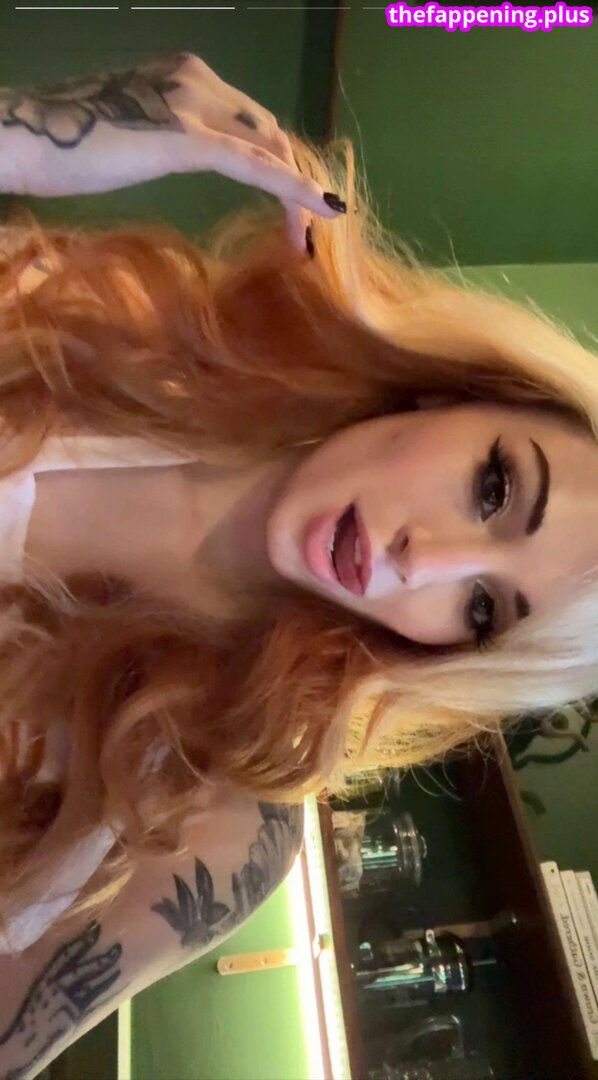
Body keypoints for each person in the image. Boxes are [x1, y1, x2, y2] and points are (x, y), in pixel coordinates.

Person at [0, 49, 597, 1076]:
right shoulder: (107, 326)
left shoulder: (217, 819)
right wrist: (23, 138)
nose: (424, 560)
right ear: (453, 393)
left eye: (483, 609)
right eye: (494, 487)